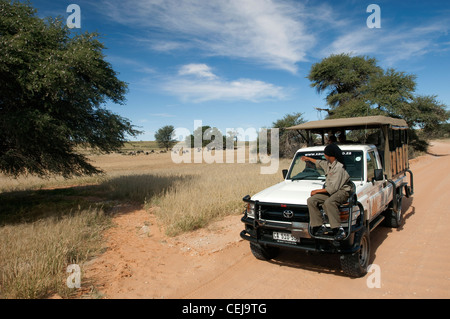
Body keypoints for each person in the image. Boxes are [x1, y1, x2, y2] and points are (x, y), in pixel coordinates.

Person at [301, 143, 351, 240]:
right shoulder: (329, 164)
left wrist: (316, 191)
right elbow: (319, 162)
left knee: (329, 202)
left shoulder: (339, 168)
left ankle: (338, 230)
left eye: (325, 154)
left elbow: (333, 189)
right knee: (311, 200)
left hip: (342, 191)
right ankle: (318, 226)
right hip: (331, 192)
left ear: (329, 155)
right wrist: (308, 159)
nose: (324, 155)